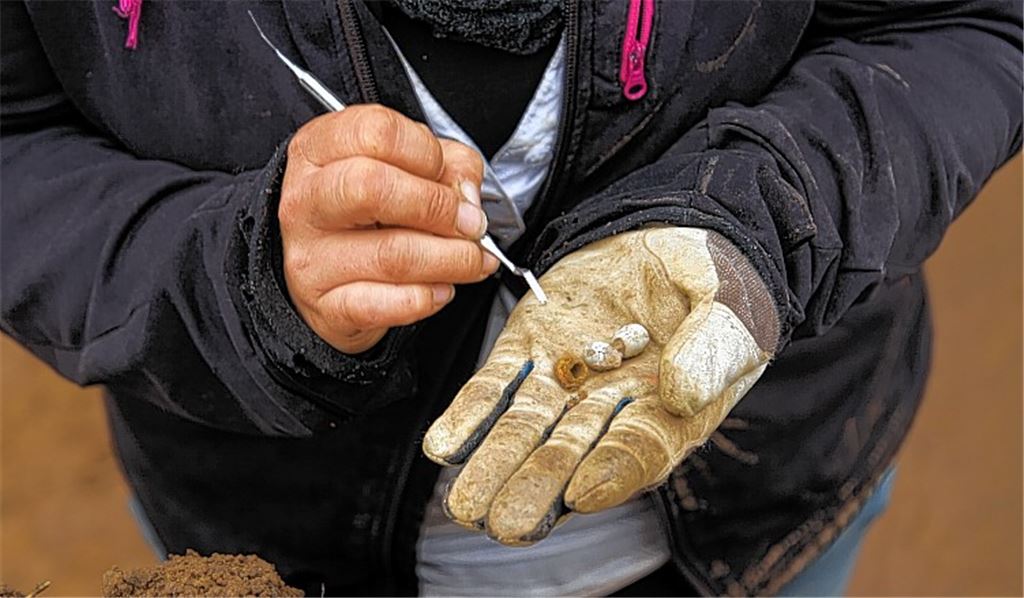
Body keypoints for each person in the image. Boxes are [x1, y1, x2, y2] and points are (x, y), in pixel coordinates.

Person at [1, 1, 1020, 596]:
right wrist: (239, 279)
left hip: (766, 509)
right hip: (277, 535)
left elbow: (963, 20)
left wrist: (753, 221)